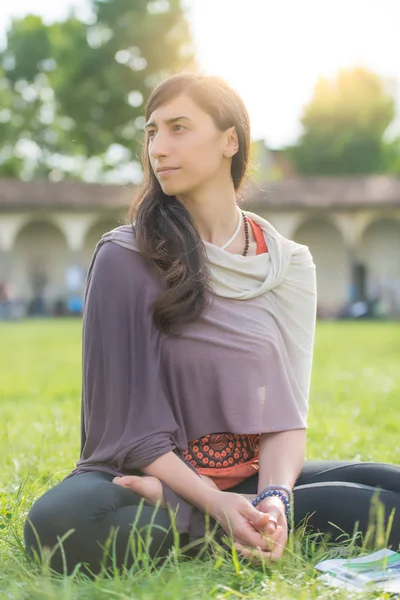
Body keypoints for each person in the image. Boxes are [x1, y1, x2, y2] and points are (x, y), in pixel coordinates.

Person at [24, 74, 400, 575]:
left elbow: (286, 415)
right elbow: (125, 429)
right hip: (144, 482)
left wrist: (275, 500)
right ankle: (215, 523)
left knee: (389, 489)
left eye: (179, 128)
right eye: (152, 131)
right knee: (59, 523)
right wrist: (209, 502)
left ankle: (259, 525)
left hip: (243, 480)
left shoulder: (287, 264)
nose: (159, 147)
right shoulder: (124, 256)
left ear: (231, 140)